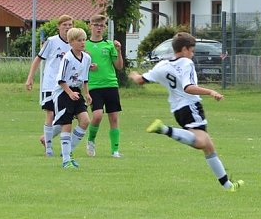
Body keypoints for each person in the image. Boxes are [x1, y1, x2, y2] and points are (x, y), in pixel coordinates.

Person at [128, 32, 242, 192]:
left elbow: (141, 80)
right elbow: (188, 87)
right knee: (202, 142)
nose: (193, 54)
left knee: (208, 146)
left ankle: (228, 185)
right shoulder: (186, 63)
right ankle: (164, 129)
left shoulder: (162, 65)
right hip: (191, 106)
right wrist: (210, 92)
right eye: (192, 50)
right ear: (184, 49)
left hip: (177, 110)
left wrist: (133, 75)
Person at [25, 14, 73, 157]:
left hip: (65, 86)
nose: (68, 27)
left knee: (65, 117)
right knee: (50, 114)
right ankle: (49, 148)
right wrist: (30, 78)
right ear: (59, 27)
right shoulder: (51, 41)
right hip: (50, 84)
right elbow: (38, 59)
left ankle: (46, 137)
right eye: (65, 25)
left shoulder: (74, 42)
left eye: (70, 25)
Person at [85, 13, 124, 158]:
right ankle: (91, 140)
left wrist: (119, 51)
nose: (99, 28)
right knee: (97, 115)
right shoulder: (85, 45)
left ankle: (115, 150)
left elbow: (119, 66)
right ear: (91, 26)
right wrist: (88, 66)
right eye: (96, 25)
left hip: (111, 84)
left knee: (113, 118)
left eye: (102, 26)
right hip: (94, 86)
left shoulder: (109, 45)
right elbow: (79, 64)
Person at [53, 27, 92, 169]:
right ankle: (66, 160)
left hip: (76, 91)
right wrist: (69, 93)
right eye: (79, 40)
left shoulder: (87, 58)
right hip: (63, 92)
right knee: (67, 125)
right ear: (71, 42)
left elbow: (85, 78)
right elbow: (61, 80)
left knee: (85, 121)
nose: (83, 43)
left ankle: (68, 154)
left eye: (84, 40)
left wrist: (86, 93)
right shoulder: (67, 58)